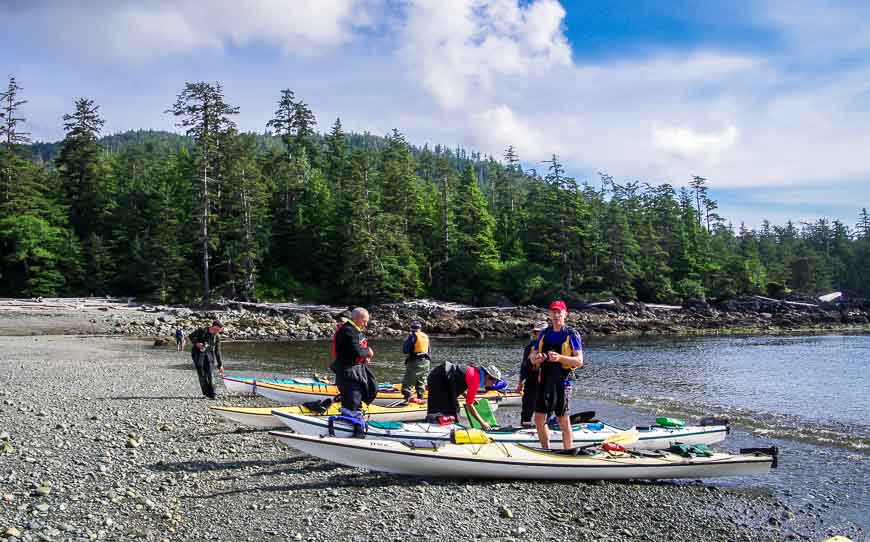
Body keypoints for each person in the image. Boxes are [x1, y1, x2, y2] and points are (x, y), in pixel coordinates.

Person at [530, 300, 583, 449]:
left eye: (559, 312)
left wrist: (560, 358)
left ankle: (568, 451)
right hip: (545, 380)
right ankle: (546, 450)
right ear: (550, 314)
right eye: (553, 312)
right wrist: (537, 358)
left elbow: (579, 361)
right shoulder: (544, 334)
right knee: (539, 419)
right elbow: (532, 357)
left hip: (562, 381)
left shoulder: (572, 334)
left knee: (562, 420)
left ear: (565, 314)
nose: (556, 315)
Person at [329, 308, 377, 420]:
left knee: (372, 387)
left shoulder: (354, 330)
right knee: (353, 400)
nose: (366, 324)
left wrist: (364, 358)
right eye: (364, 321)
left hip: (356, 368)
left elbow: (354, 350)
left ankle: (355, 411)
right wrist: (369, 352)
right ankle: (351, 424)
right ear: (357, 318)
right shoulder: (348, 331)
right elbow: (357, 351)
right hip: (347, 371)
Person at [425, 362, 504, 430]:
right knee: (446, 410)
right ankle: (433, 430)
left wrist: (467, 396)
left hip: (441, 376)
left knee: (453, 410)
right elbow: (469, 405)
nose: (494, 384)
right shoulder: (475, 379)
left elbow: (458, 382)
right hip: (439, 378)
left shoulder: (477, 374)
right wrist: (483, 423)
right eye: (494, 381)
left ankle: (442, 427)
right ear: (488, 377)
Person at [517, 321, 548, 427]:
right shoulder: (529, 347)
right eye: (537, 332)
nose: (539, 335)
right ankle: (525, 426)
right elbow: (524, 366)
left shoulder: (552, 346)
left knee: (546, 406)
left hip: (546, 379)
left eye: (542, 332)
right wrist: (520, 383)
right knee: (527, 407)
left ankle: (545, 427)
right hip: (532, 378)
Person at [189, 320, 225, 399]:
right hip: (197, 354)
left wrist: (220, 365)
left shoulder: (217, 337)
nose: (219, 331)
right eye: (218, 329)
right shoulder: (202, 330)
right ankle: (206, 393)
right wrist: (197, 343)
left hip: (209, 355)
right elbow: (191, 336)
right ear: (214, 326)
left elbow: (217, 352)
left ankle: (213, 393)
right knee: (202, 374)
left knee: (210, 373)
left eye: (220, 330)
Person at [400, 321, 431, 404]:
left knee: (408, 381)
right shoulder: (425, 336)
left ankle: (407, 399)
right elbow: (429, 350)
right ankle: (420, 398)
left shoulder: (412, 336)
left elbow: (405, 350)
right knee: (421, 381)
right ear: (420, 328)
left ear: (411, 328)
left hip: (415, 362)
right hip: (426, 362)